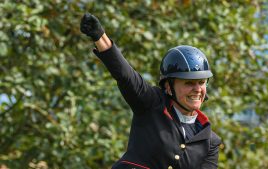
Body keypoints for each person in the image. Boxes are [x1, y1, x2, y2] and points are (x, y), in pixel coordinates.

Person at [80, 13, 222, 169]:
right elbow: (125, 75)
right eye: (189, 83)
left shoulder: (211, 142)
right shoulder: (151, 103)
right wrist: (100, 37)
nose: (197, 89)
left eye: (201, 83)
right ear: (168, 86)